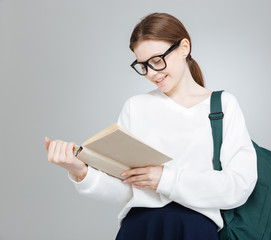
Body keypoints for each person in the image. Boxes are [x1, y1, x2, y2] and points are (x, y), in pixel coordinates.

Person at [45, 12, 257, 240]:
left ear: (184, 47)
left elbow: (238, 186)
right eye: (143, 66)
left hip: (194, 230)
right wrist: (80, 171)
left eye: (157, 61)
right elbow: (127, 189)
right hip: (138, 229)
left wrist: (166, 179)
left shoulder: (223, 105)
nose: (152, 73)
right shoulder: (136, 107)